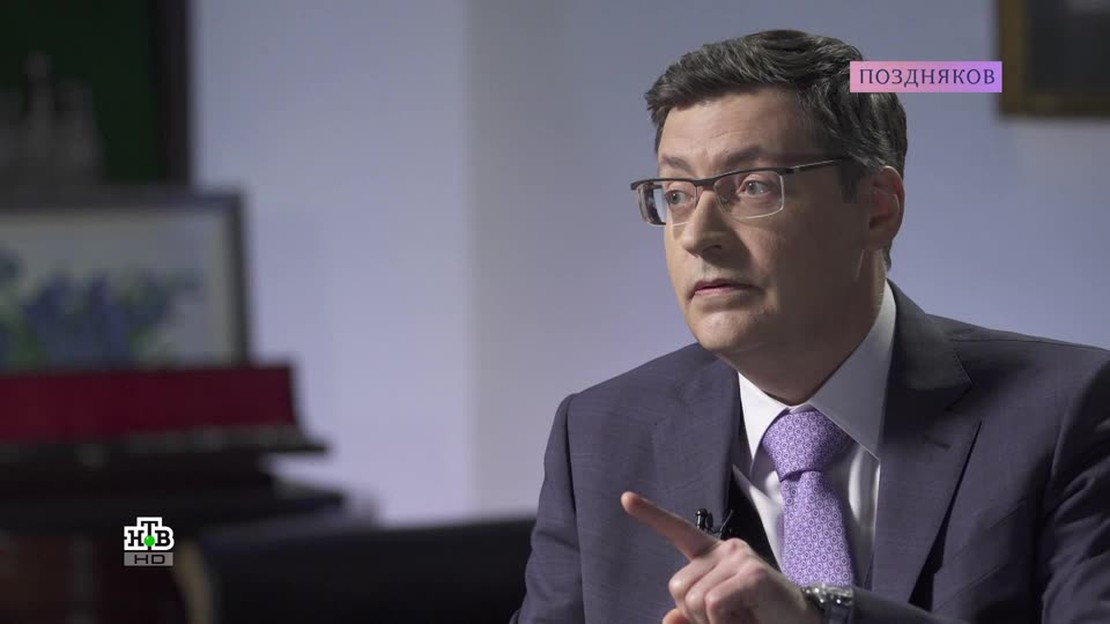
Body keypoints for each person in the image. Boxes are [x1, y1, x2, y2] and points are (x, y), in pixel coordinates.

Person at [510, 29, 1110, 624]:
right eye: (677, 194)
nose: (697, 236)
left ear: (877, 208)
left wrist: (824, 619)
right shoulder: (599, 435)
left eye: (752, 187)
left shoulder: (1067, 410)